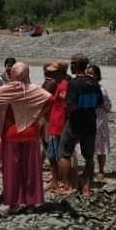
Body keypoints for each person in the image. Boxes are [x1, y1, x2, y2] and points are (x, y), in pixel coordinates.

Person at [0, 62, 52, 210]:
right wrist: (37, 115)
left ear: (12, 73)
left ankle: (13, 201)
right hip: (31, 132)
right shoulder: (34, 90)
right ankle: (31, 202)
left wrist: (2, 120)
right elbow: (50, 100)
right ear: (27, 73)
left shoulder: (5, 90)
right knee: (31, 168)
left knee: (11, 169)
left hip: (11, 132)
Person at [58, 53, 104, 196]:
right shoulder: (94, 83)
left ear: (76, 65)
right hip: (90, 122)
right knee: (89, 157)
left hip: (75, 123)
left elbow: (71, 104)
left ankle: (66, 185)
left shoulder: (74, 83)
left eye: (72, 64)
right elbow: (99, 103)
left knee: (64, 153)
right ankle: (86, 186)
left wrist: (65, 101)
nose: (70, 66)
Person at [45, 61, 69, 192]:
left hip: (59, 125)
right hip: (54, 124)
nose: (50, 73)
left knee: (60, 156)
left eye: (53, 71)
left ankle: (65, 183)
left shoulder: (64, 85)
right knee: (52, 155)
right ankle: (55, 181)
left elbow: (65, 107)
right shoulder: (58, 84)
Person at [86, 64, 112, 179]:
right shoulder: (84, 89)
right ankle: (90, 169)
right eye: (88, 73)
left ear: (97, 75)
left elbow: (108, 107)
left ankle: (101, 170)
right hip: (87, 118)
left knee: (101, 146)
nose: (90, 75)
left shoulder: (102, 90)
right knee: (88, 146)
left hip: (100, 119)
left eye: (92, 73)